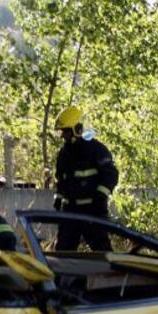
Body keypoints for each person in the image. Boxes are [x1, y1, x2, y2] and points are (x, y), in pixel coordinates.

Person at [53, 106, 119, 251]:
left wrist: (100, 197)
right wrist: (58, 199)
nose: (63, 135)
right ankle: (68, 275)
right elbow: (61, 181)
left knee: (102, 253)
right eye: (62, 131)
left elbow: (111, 175)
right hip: (70, 211)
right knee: (63, 254)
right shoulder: (64, 154)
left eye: (66, 131)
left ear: (77, 129)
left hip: (93, 211)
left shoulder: (97, 150)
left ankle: (113, 274)